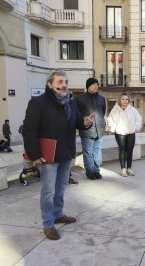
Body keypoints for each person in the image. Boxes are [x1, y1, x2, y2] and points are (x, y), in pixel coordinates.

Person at [22, 70, 95, 240]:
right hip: (47, 154)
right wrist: (34, 154)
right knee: (48, 190)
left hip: (65, 152)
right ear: (49, 84)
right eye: (60, 81)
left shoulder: (70, 102)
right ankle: (48, 223)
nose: (64, 85)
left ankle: (58, 213)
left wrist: (85, 122)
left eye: (66, 82)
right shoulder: (38, 103)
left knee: (61, 187)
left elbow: (77, 121)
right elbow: (29, 130)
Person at [74, 78, 106, 180]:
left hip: (99, 130)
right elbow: (77, 114)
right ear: (88, 86)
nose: (96, 86)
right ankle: (90, 171)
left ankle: (96, 170)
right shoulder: (79, 98)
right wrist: (84, 121)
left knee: (96, 152)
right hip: (87, 130)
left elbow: (103, 111)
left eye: (97, 84)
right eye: (93, 84)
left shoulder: (101, 98)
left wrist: (100, 123)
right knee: (88, 153)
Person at [107, 93, 142, 177]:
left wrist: (135, 127)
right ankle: (123, 169)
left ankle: (129, 168)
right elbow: (110, 121)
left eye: (126, 99)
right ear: (119, 100)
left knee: (130, 150)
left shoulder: (132, 110)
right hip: (120, 133)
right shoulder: (114, 110)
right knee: (122, 150)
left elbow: (138, 119)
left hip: (131, 133)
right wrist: (115, 128)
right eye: (123, 99)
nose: (125, 101)